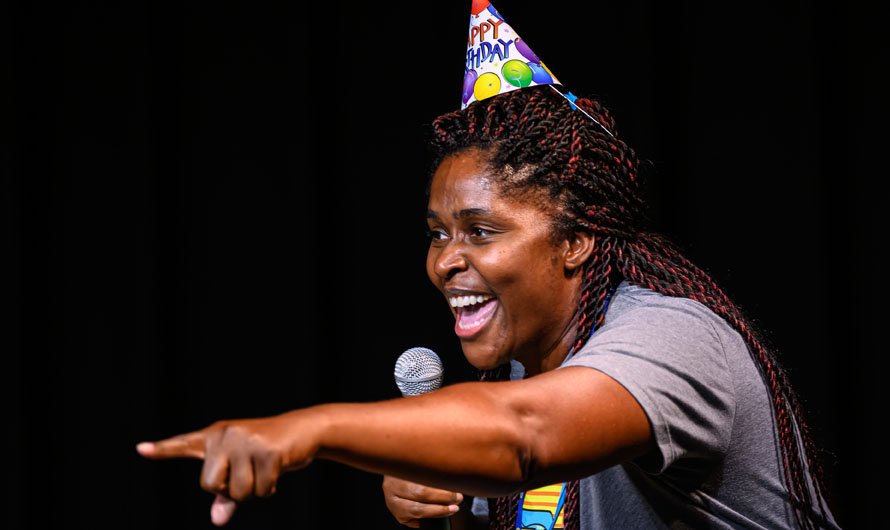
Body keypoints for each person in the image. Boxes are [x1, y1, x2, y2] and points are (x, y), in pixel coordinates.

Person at [138, 85, 839, 529]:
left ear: (576, 240)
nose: (445, 261)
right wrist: (433, 504)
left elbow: (524, 437)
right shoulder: (513, 377)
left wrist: (312, 426)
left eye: (480, 231)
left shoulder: (668, 335)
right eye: (438, 234)